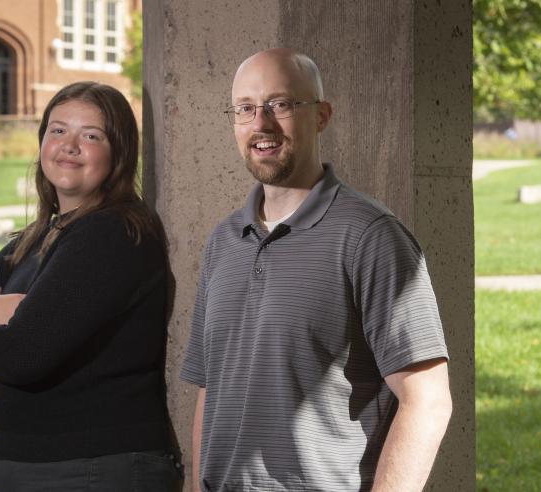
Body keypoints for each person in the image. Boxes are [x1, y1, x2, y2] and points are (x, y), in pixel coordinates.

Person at [180, 48, 453, 491]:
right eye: (245, 108)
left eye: (281, 104)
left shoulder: (370, 236)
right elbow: (210, 388)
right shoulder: (223, 242)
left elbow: (428, 401)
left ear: (322, 116)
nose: (261, 123)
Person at [0, 82, 180, 491]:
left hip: (92, 466)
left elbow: (21, 355)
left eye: (91, 136)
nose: (69, 146)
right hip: (36, 463)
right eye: (58, 130)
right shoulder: (41, 235)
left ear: (118, 153)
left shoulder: (113, 233)